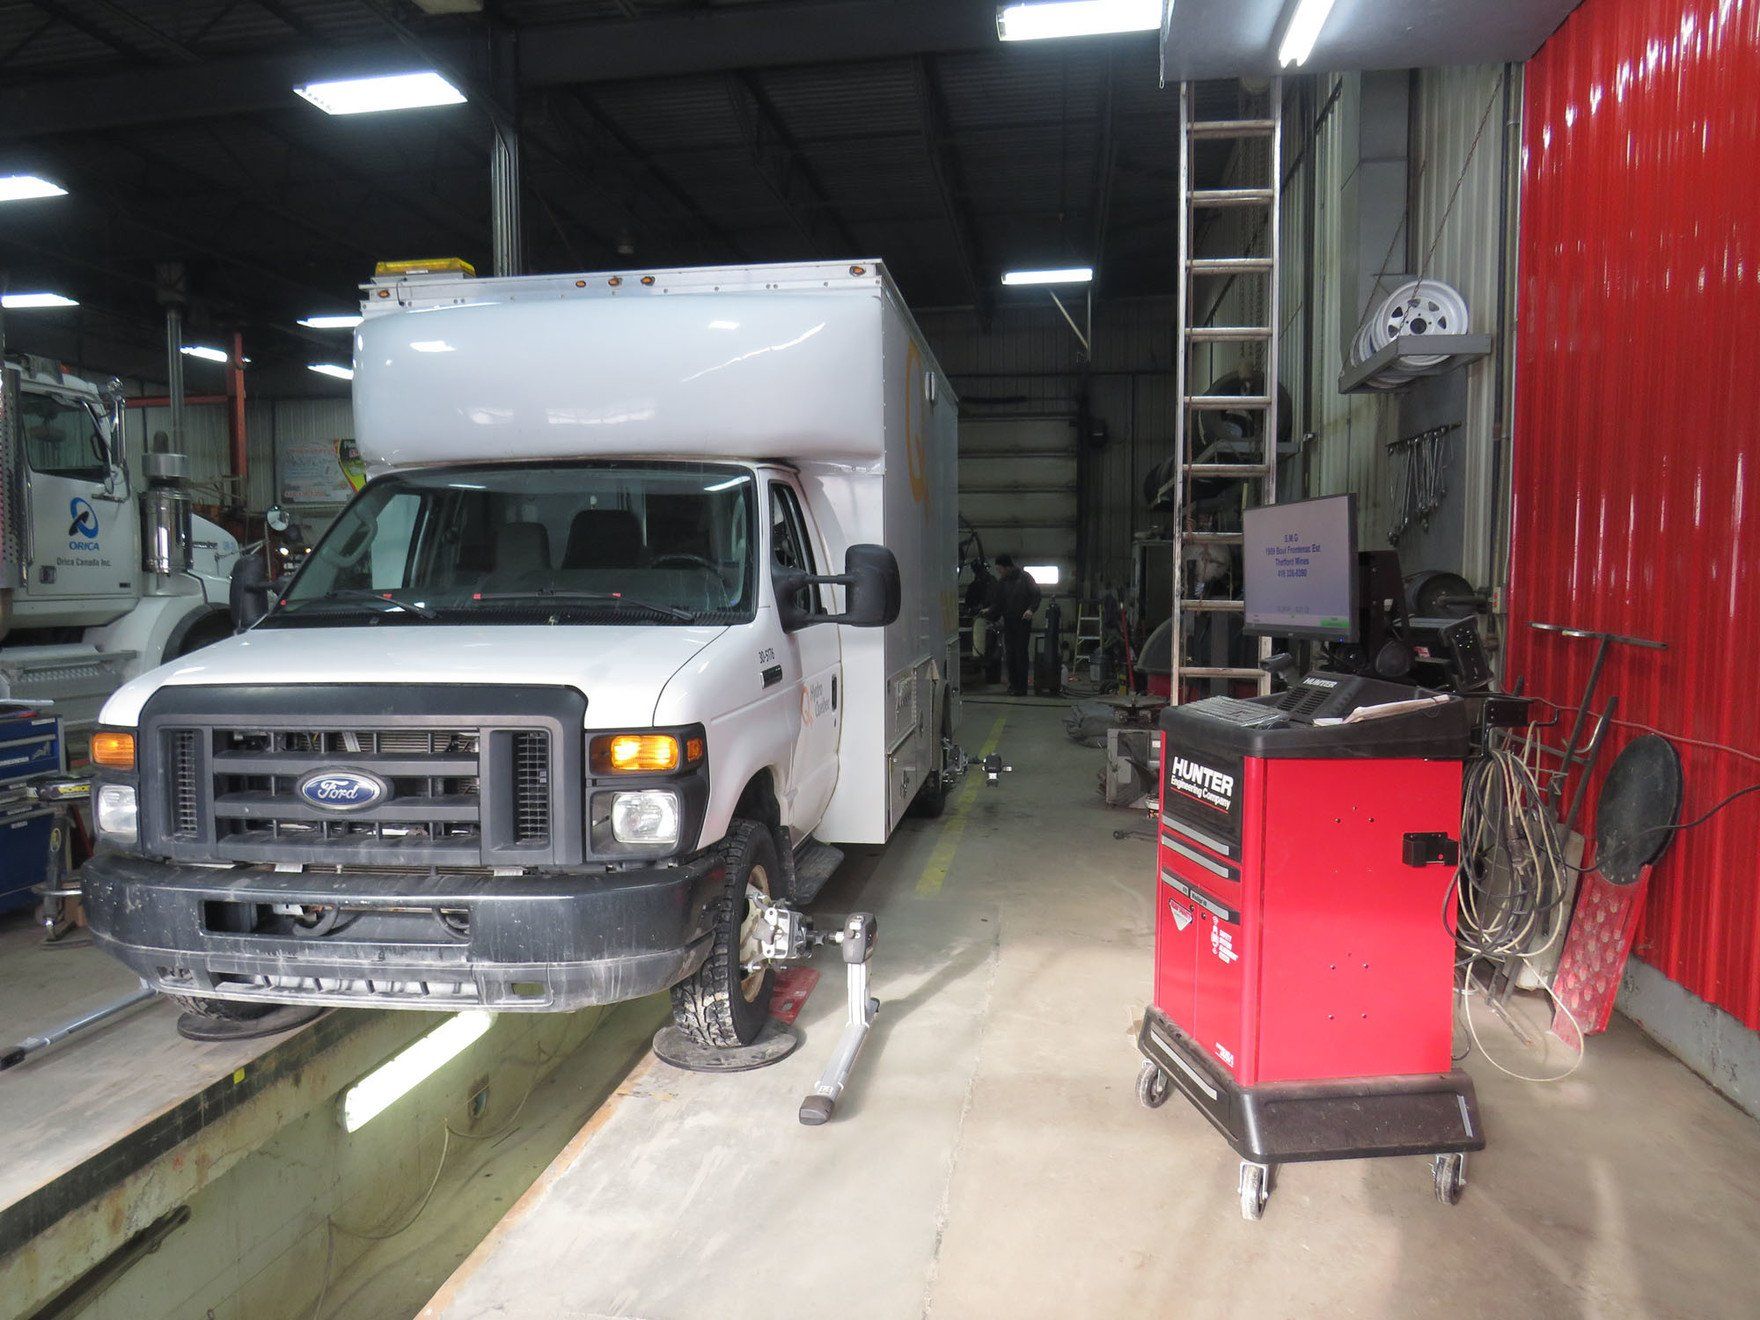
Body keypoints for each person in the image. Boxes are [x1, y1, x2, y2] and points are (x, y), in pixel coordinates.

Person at [989, 554, 1041, 696]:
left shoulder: (1025, 578)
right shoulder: (1002, 582)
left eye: (1000, 569)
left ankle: (1022, 687)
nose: (999, 572)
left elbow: (1036, 595)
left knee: (1020, 653)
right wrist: (989, 612)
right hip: (1009, 622)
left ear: (1007, 567)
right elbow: (998, 603)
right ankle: (1013, 685)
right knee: (1010, 654)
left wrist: (1031, 609)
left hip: (1022, 622)